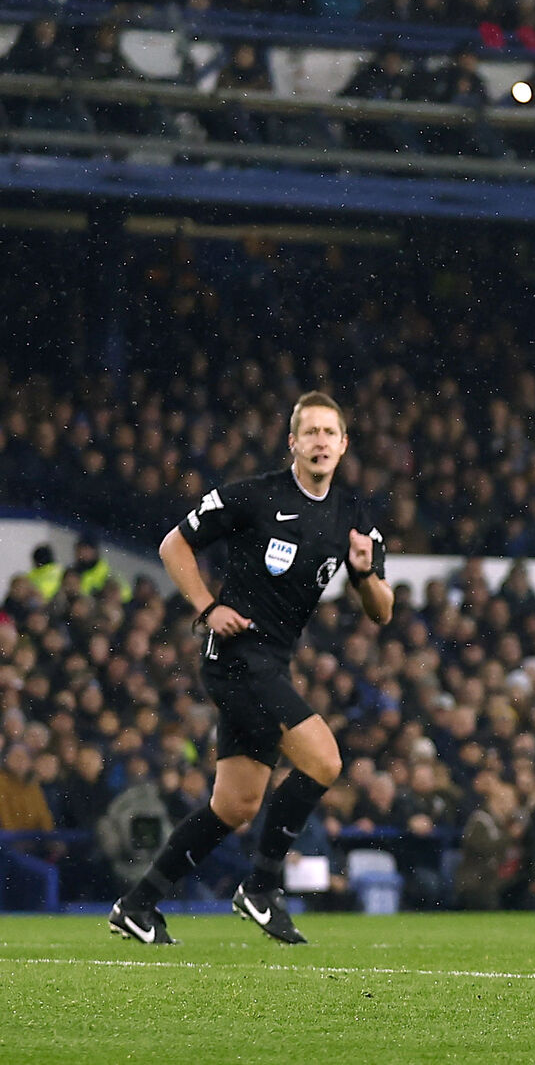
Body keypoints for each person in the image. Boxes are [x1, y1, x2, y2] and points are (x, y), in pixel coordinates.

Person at [109, 392, 392, 946]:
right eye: (308, 432)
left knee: (235, 806)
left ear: (343, 444)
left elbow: (382, 612)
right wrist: (207, 607)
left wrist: (366, 574)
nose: (318, 442)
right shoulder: (253, 496)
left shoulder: (353, 518)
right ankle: (261, 890)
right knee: (325, 761)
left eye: (328, 433)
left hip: (272, 665)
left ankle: (137, 905)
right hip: (235, 660)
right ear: (292, 443)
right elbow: (174, 546)